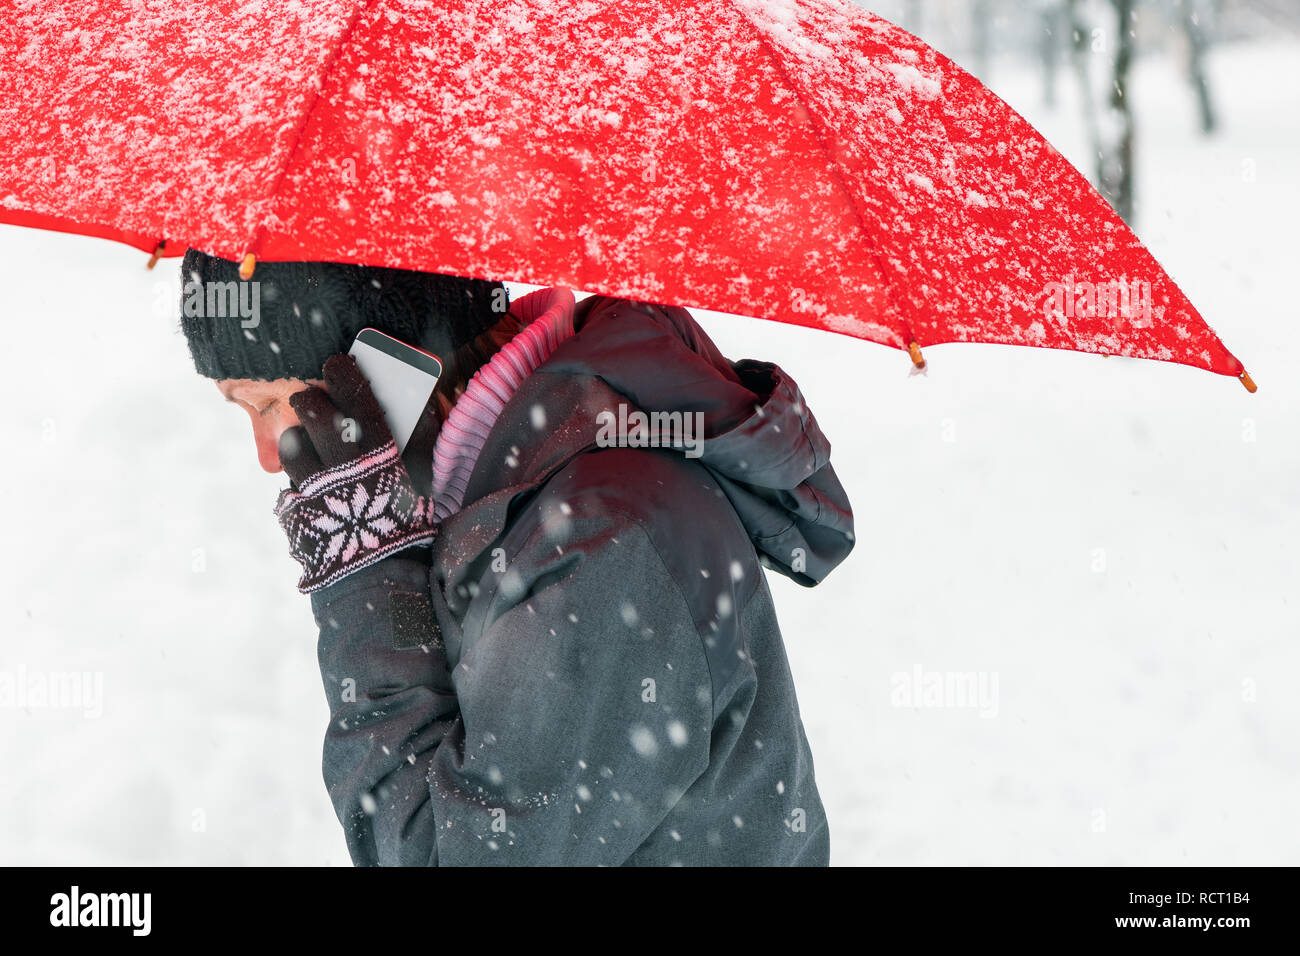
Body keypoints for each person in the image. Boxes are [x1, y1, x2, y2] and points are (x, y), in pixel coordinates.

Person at [179, 249, 855, 865]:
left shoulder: (602, 541)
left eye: (267, 403)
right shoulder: (500, 493)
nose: (268, 455)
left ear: (387, 366)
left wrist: (367, 570)